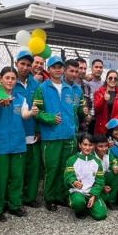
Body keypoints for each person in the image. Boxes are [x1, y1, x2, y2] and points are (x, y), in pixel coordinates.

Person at [34, 57, 81, 211]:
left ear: (63, 69)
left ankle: (61, 195)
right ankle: (49, 198)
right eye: (54, 67)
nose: (57, 70)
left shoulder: (69, 88)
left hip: (68, 135)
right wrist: (51, 118)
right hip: (51, 135)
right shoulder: (42, 88)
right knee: (51, 168)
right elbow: (37, 112)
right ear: (48, 69)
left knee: (65, 168)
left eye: (60, 67)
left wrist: (73, 130)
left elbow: (73, 112)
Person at [0, 67, 28, 221]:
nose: (10, 81)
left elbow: (25, 114)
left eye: (13, 78)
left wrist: (32, 112)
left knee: (17, 177)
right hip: (0, 142)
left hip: (18, 142)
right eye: (7, 78)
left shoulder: (20, 98)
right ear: (1, 79)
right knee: (0, 178)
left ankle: (14, 205)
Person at [13, 51, 43, 208]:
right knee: (17, 169)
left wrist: (38, 128)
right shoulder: (11, 81)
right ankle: (15, 199)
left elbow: (40, 108)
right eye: (22, 64)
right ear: (16, 64)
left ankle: (30, 197)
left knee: (33, 167)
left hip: (32, 131)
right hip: (16, 131)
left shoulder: (35, 84)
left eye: (28, 65)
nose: (25, 67)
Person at [65, 134, 108, 220]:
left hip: (91, 193)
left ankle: (88, 205)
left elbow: (99, 181)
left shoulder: (97, 162)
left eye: (90, 145)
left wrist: (94, 196)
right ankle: (79, 208)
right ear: (79, 145)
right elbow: (68, 177)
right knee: (78, 202)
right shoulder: (71, 160)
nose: (87, 148)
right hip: (77, 192)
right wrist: (74, 182)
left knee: (101, 215)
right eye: (85, 144)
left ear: (94, 146)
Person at [93, 70, 118, 135]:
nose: (113, 80)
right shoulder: (98, 93)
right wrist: (103, 99)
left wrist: (113, 122)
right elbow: (97, 109)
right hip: (102, 127)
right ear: (106, 79)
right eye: (110, 78)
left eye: (115, 79)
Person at [93, 133, 118, 209]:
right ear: (94, 146)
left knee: (116, 173)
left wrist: (115, 167)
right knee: (103, 197)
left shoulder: (108, 152)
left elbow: (114, 162)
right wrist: (102, 186)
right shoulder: (91, 156)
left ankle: (111, 201)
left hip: (105, 177)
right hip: (95, 181)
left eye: (106, 146)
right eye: (100, 146)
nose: (104, 149)